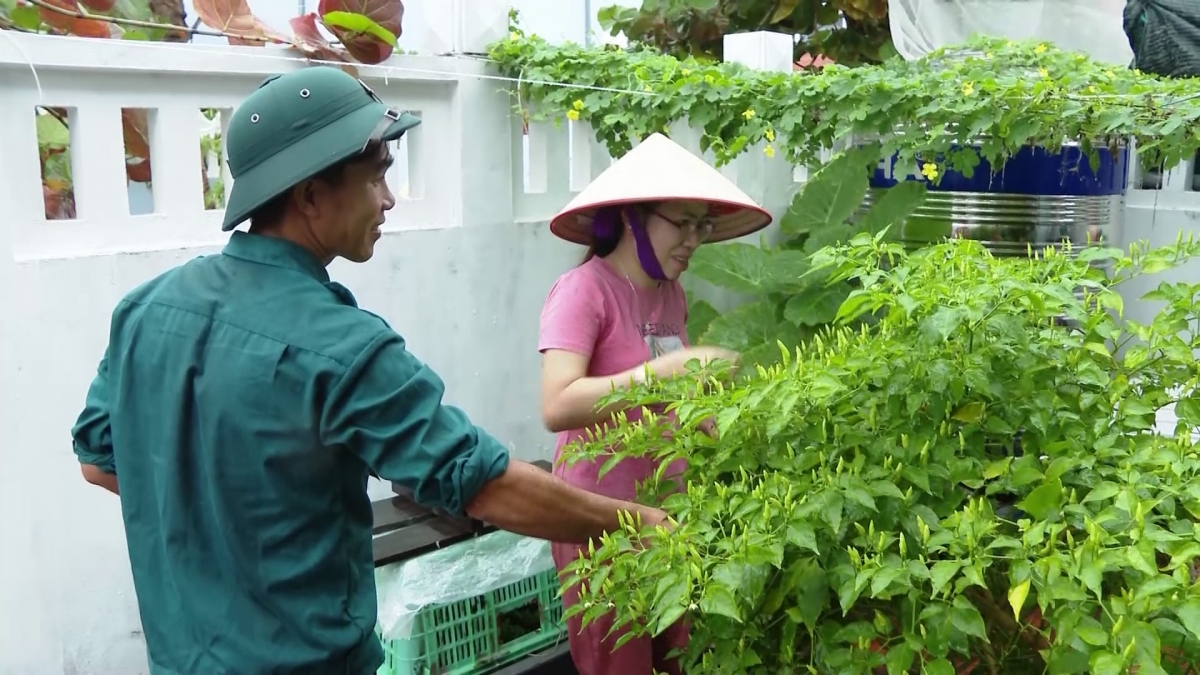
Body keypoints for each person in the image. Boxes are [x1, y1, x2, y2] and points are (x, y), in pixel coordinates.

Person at [69, 66, 670, 675]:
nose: (387, 199)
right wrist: (641, 522)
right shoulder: (341, 346)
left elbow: (99, 460)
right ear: (310, 196)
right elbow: (483, 484)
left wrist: (214, 508)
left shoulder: (145, 310)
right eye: (377, 177)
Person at [537, 132, 773, 674]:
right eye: (681, 222)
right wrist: (660, 374)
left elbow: (673, 396)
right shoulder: (583, 291)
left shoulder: (670, 292)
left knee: (678, 659)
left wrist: (717, 420)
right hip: (602, 522)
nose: (693, 239)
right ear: (631, 217)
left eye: (702, 224)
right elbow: (557, 402)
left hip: (668, 516)